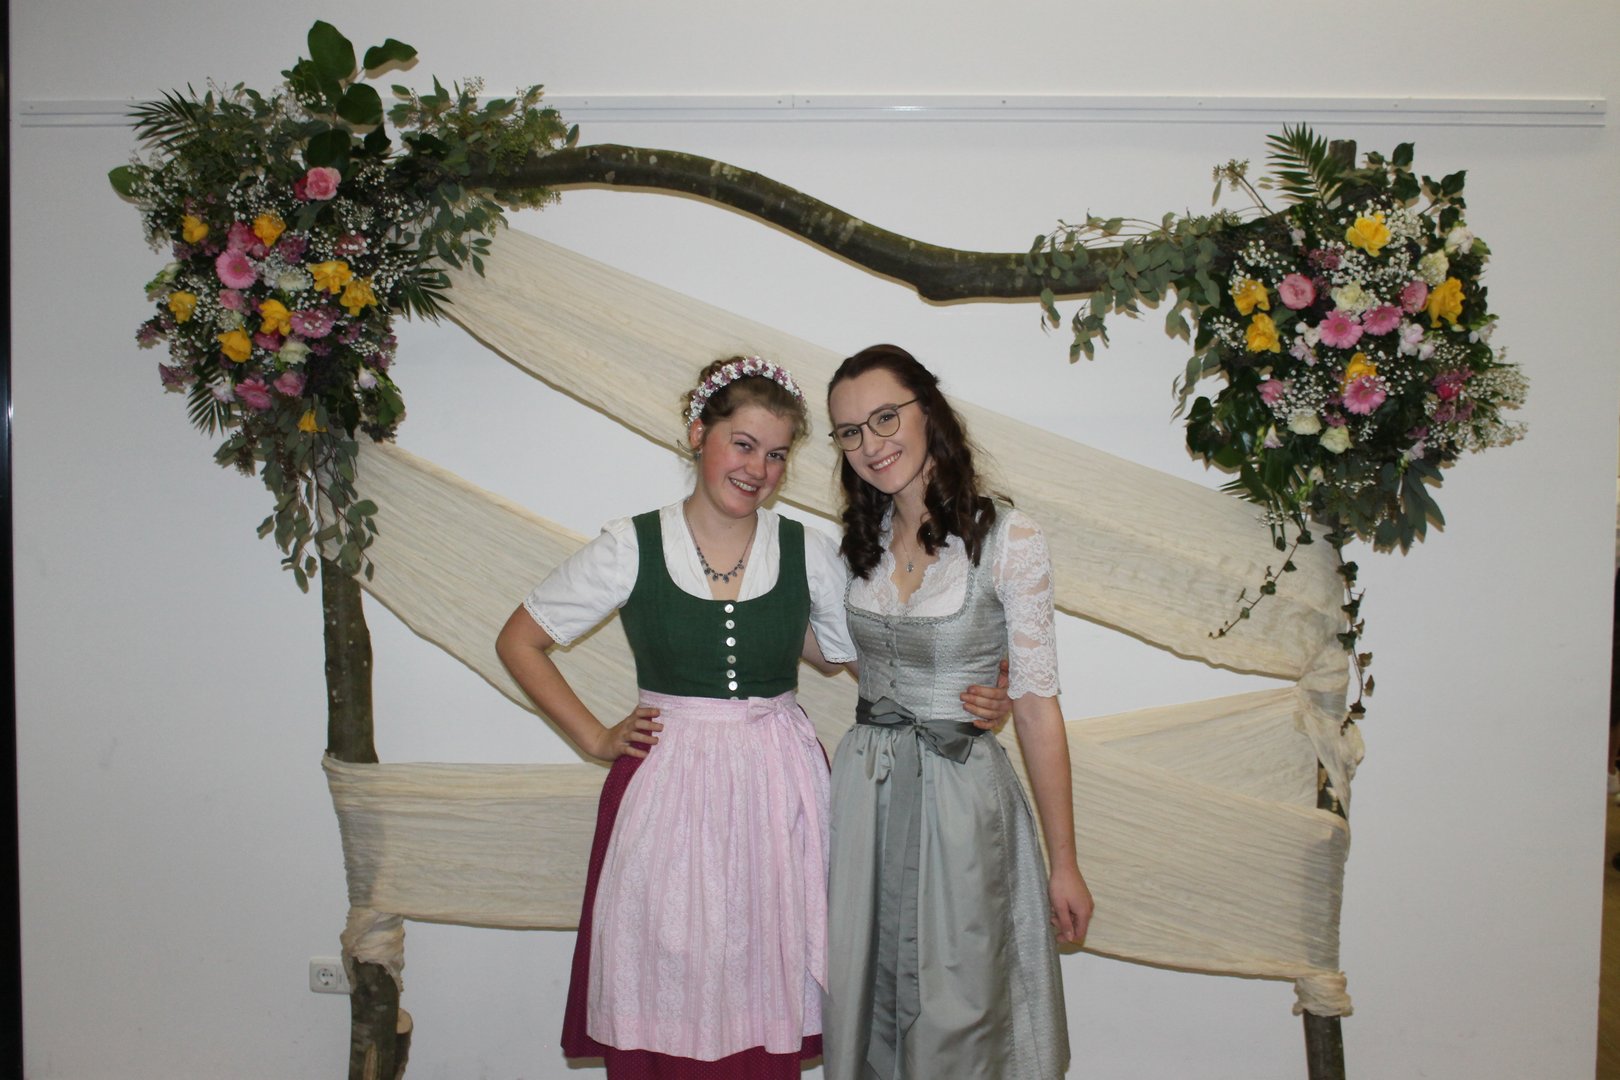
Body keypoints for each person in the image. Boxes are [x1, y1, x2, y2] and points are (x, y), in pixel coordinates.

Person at [495, 356, 1009, 1079]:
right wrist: (594, 736)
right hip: (668, 787)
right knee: (669, 954)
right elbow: (520, 640)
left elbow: (875, 653)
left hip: (778, 787)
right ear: (697, 434)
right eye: (742, 444)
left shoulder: (806, 552)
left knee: (767, 959)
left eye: (776, 455)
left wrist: (975, 692)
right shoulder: (631, 545)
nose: (758, 469)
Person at [820, 344, 1093, 1080]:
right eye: (850, 432)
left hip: (960, 801)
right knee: (865, 988)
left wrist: (1065, 864)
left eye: (885, 417)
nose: (871, 444)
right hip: (866, 796)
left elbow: (1036, 709)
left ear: (928, 412)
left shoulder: (1009, 539)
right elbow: (848, 654)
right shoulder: (856, 545)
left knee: (961, 1001)